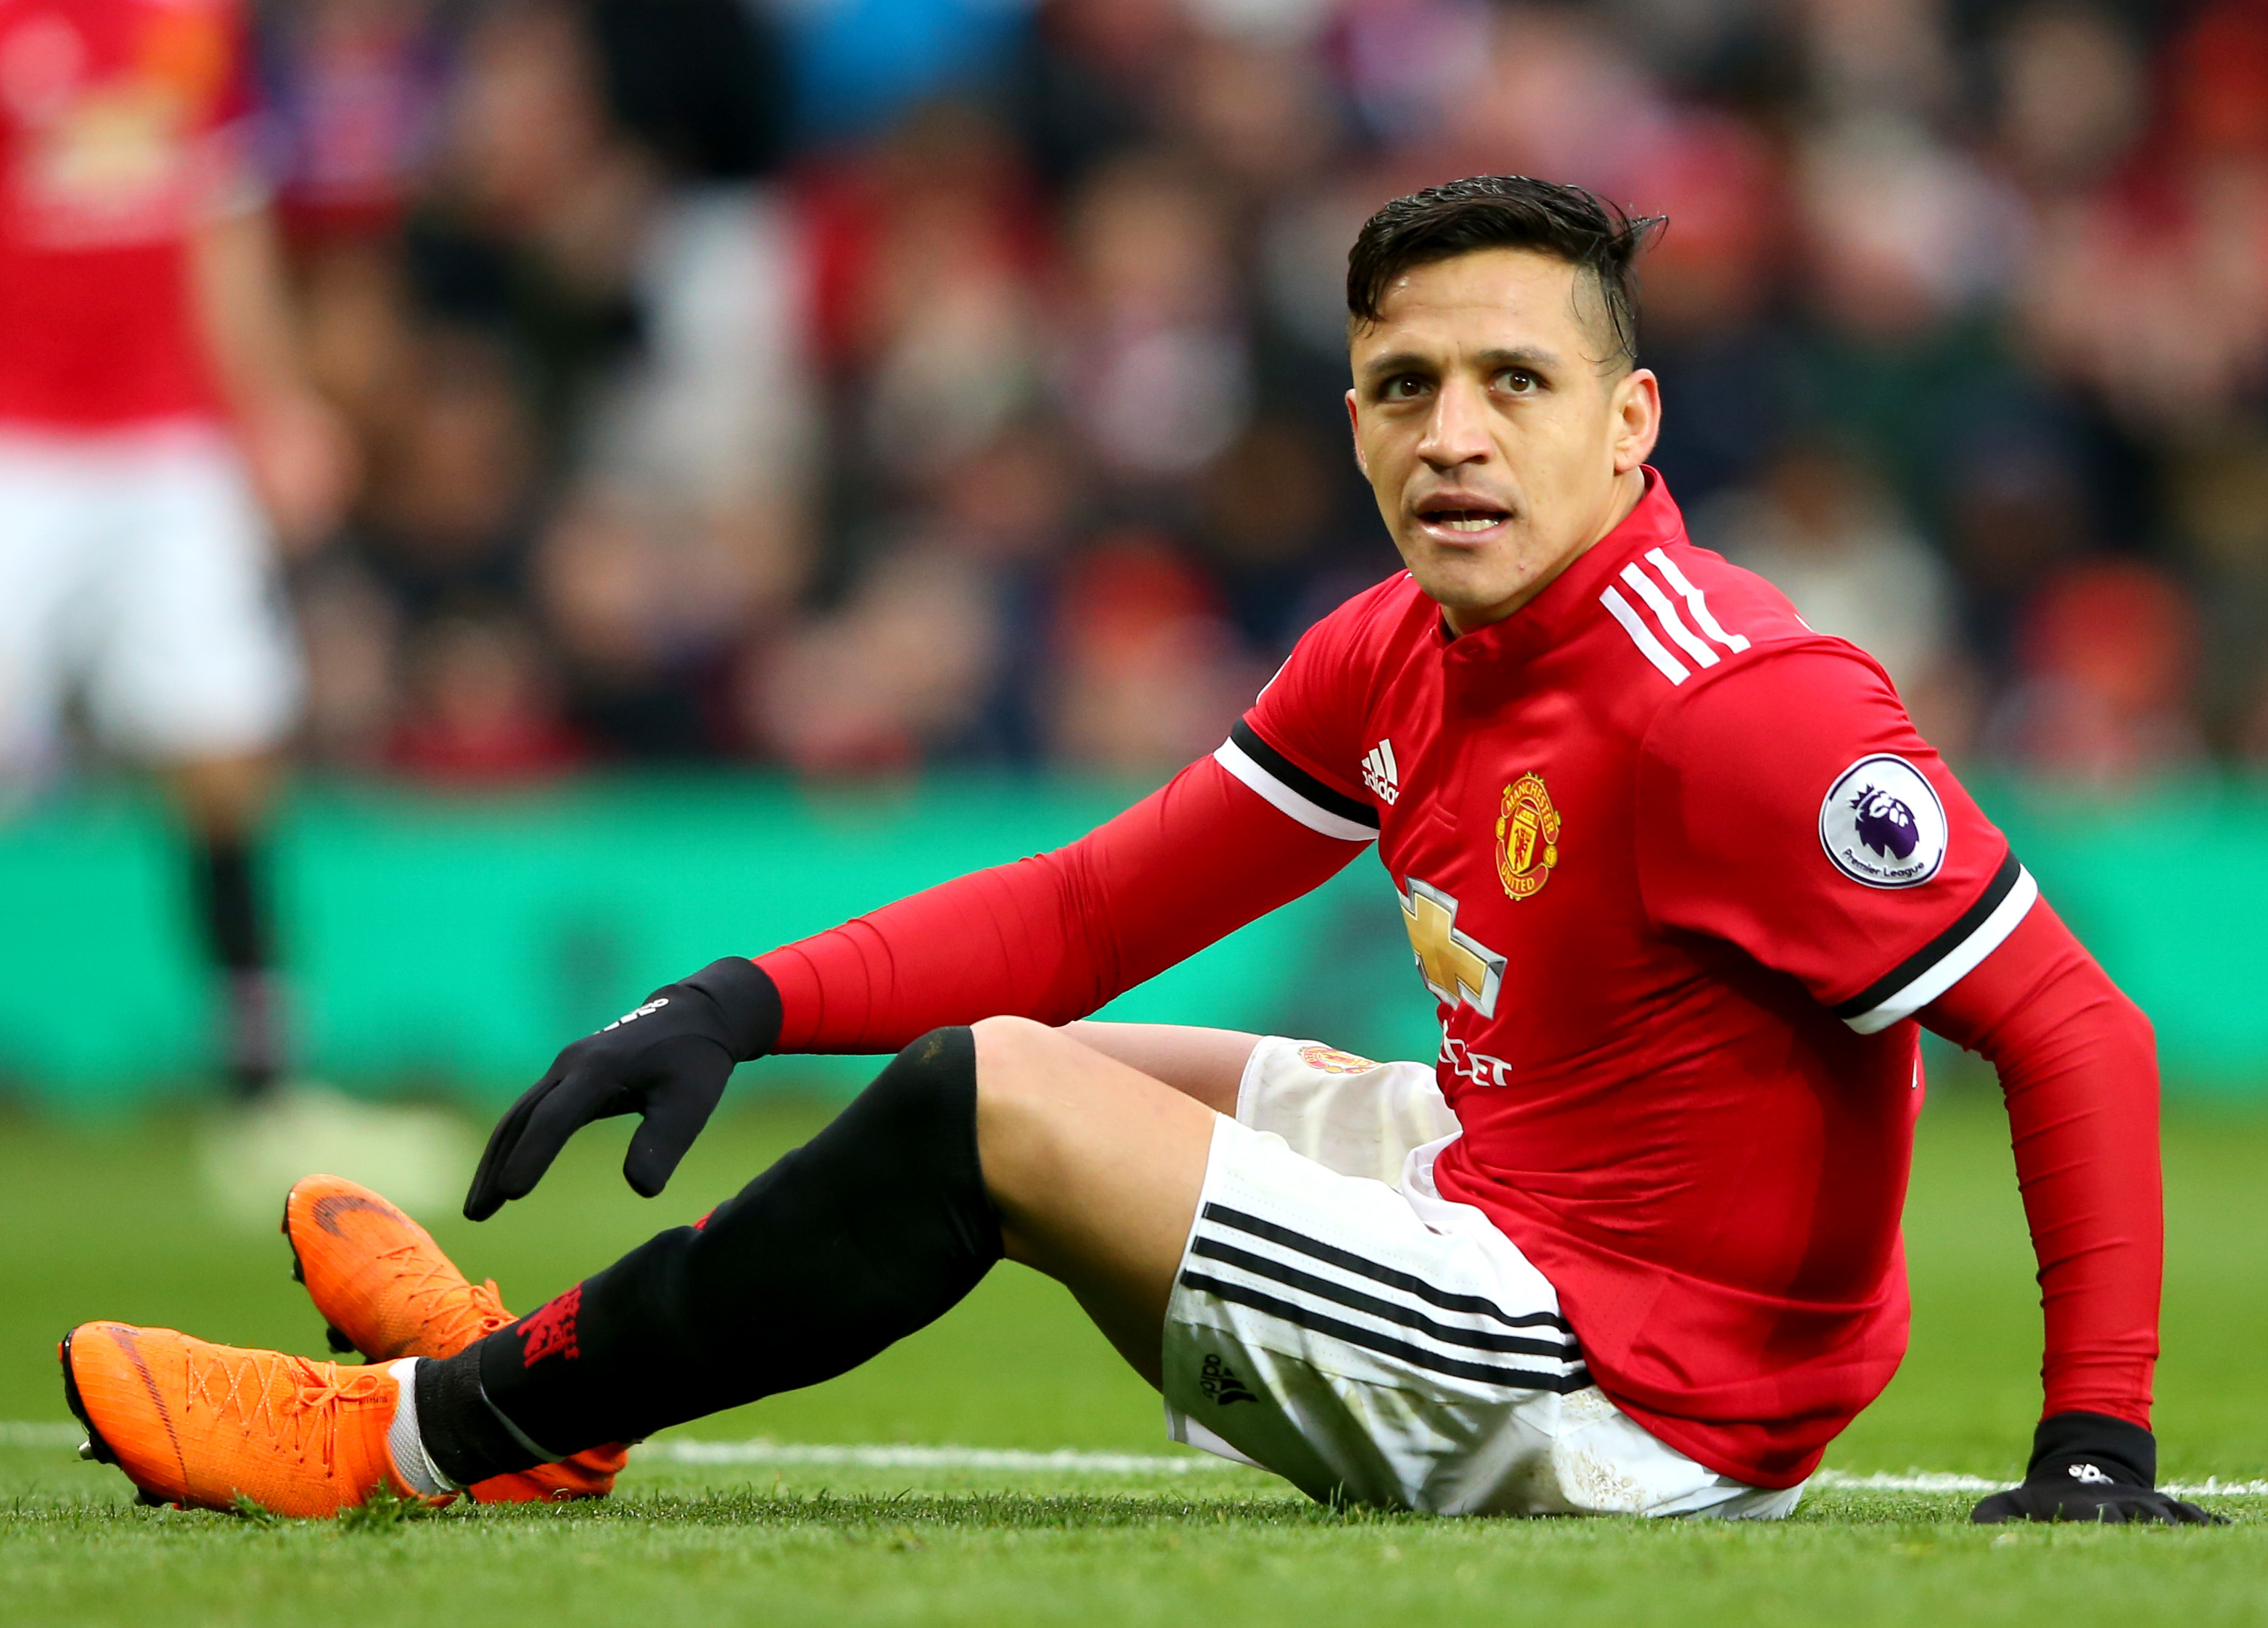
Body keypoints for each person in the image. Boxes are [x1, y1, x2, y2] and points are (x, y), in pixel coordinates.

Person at [60, 176, 2214, 1526]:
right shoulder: (1398, 645)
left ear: (1627, 421)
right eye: (1402, 386)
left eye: (1513, 381)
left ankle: (414, 1437)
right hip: (1516, 1194)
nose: (1453, 434)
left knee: (995, 1102)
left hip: (1634, 1388)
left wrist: (2096, 1444)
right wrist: (740, 998)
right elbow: (1096, 907)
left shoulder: (1739, 704)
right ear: (1353, 419)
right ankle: (566, 1379)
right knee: (1058, 1053)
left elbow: (2072, 1028)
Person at [0, 0, 353, 1095]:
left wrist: (275, 407)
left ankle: (260, 1071)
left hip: (169, 440)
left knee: (225, 739)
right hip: (19, 436)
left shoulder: (193, 21)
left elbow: (224, 220)